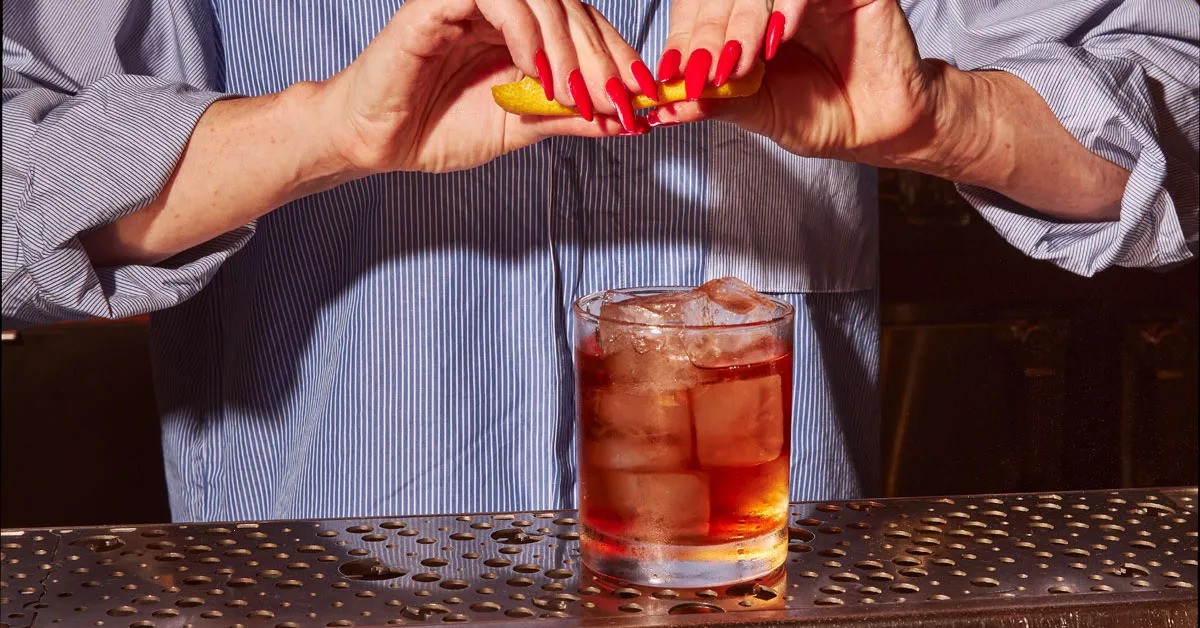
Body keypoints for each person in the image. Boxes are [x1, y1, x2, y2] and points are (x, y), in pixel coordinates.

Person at [3, 0, 1195, 522]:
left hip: (766, 593)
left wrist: (950, 117)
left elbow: (1174, 115)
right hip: (331, 598)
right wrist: (321, 133)